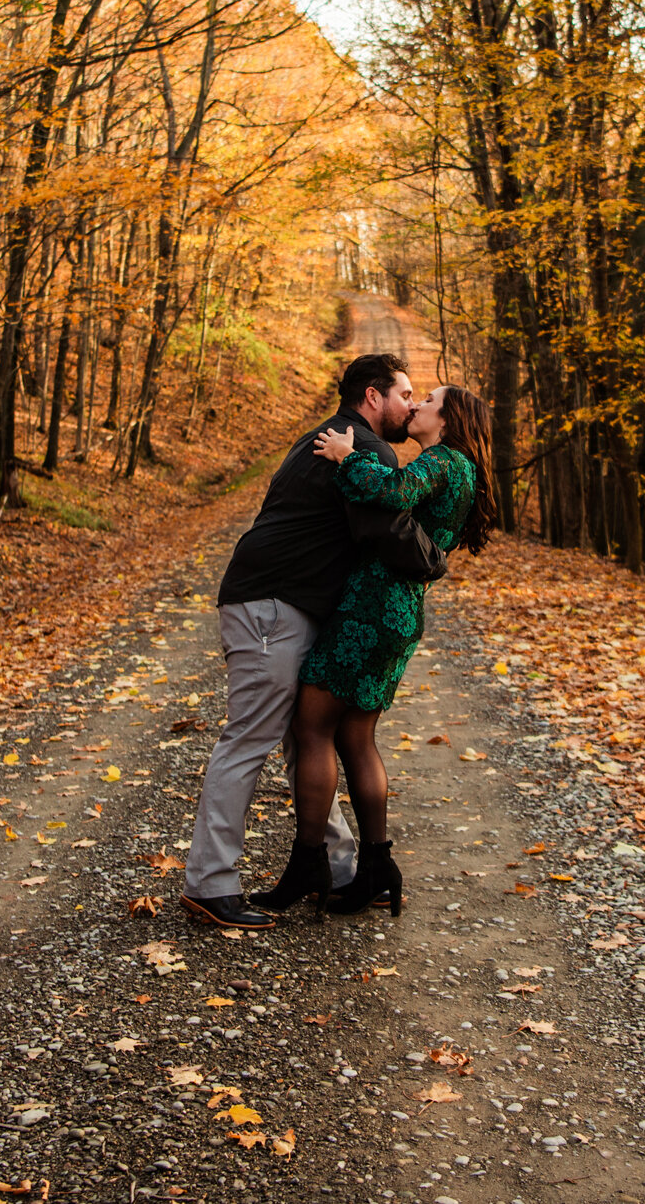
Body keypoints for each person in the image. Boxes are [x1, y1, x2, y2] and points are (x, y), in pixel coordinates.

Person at [179, 353, 449, 930]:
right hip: (274, 604)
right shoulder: (364, 450)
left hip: (276, 601)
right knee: (250, 737)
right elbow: (388, 534)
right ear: (373, 397)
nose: (411, 404)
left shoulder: (324, 439)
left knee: (309, 739)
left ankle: (344, 869)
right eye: (405, 394)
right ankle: (210, 882)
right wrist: (436, 557)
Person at [258, 384, 497, 918]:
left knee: (312, 728)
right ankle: (375, 867)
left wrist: (347, 457)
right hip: (399, 610)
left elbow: (392, 492)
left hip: (373, 607)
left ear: (448, 418)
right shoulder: (462, 469)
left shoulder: (444, 460)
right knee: (355, 735)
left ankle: (308, 863)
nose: (416, 407)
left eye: (428, 402)